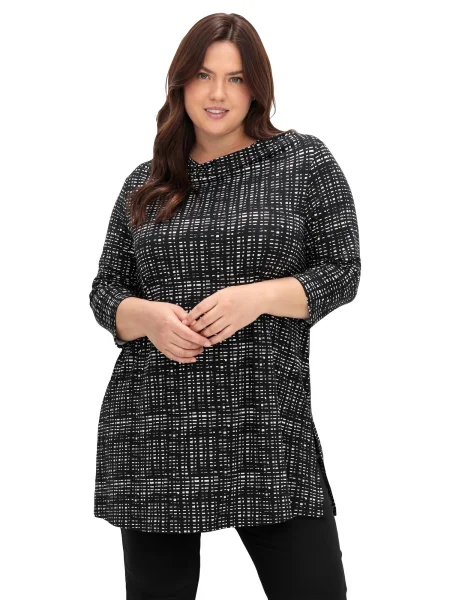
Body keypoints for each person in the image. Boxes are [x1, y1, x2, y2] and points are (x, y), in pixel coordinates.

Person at [89, 12, 361, 600]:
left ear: (257, 87)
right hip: (154, 426)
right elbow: (105, 289)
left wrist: (256, 299)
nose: (218, 94)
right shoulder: (146, 183)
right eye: (204, 76)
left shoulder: (302, 161)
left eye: (236, 78)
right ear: (181, 83)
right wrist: (148, 318)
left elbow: (342, 271)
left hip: (266, 423)